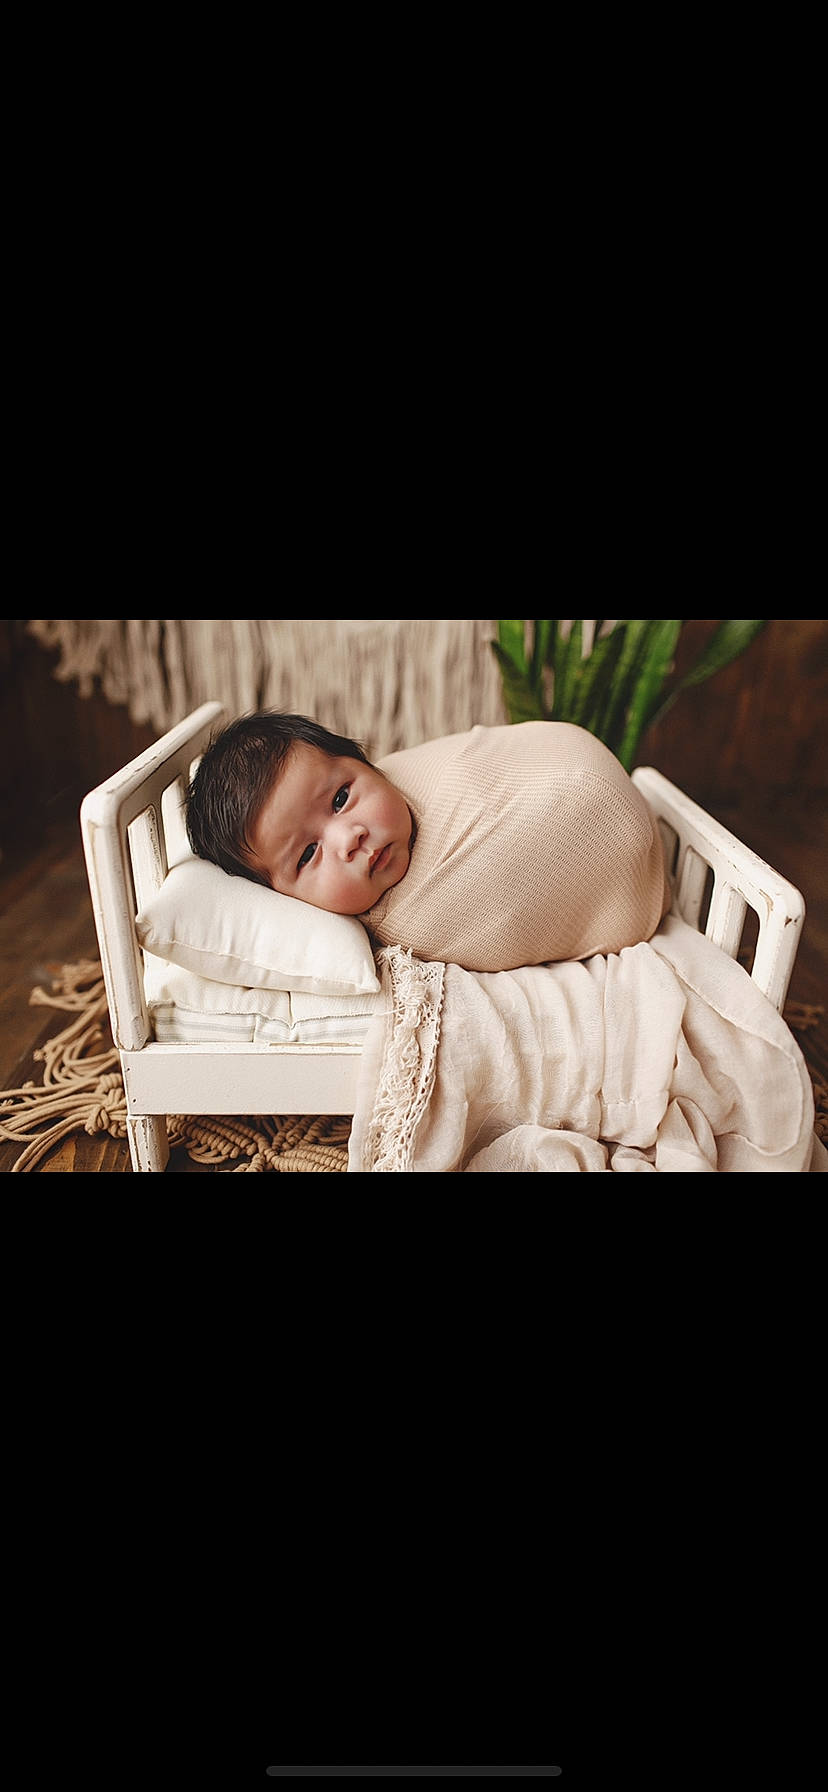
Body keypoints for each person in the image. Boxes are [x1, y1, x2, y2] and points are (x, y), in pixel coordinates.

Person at [186, 710, 672, 974]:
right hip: (618, 848)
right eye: (308, 854)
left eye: (340, 797)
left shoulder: (409, 774)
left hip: (590, 787)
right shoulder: (405, 925)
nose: (349, 838)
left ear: (364, 763)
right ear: (282, 900)